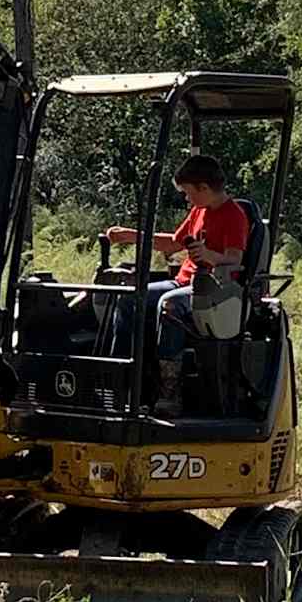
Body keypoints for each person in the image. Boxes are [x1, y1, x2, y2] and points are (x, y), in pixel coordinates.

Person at [104, 154, 249, 415]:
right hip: (183, 282)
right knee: (128, 298)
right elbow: (173, 243)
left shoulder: (234, 216)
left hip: (214, 291)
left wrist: (209, 256)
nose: (186, 198)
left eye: (188, 192)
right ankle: (118, 382)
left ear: (204, 188)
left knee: (169, 305)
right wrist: (130, 235)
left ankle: (170, 392)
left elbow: (234, 260)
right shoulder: (199, 211)